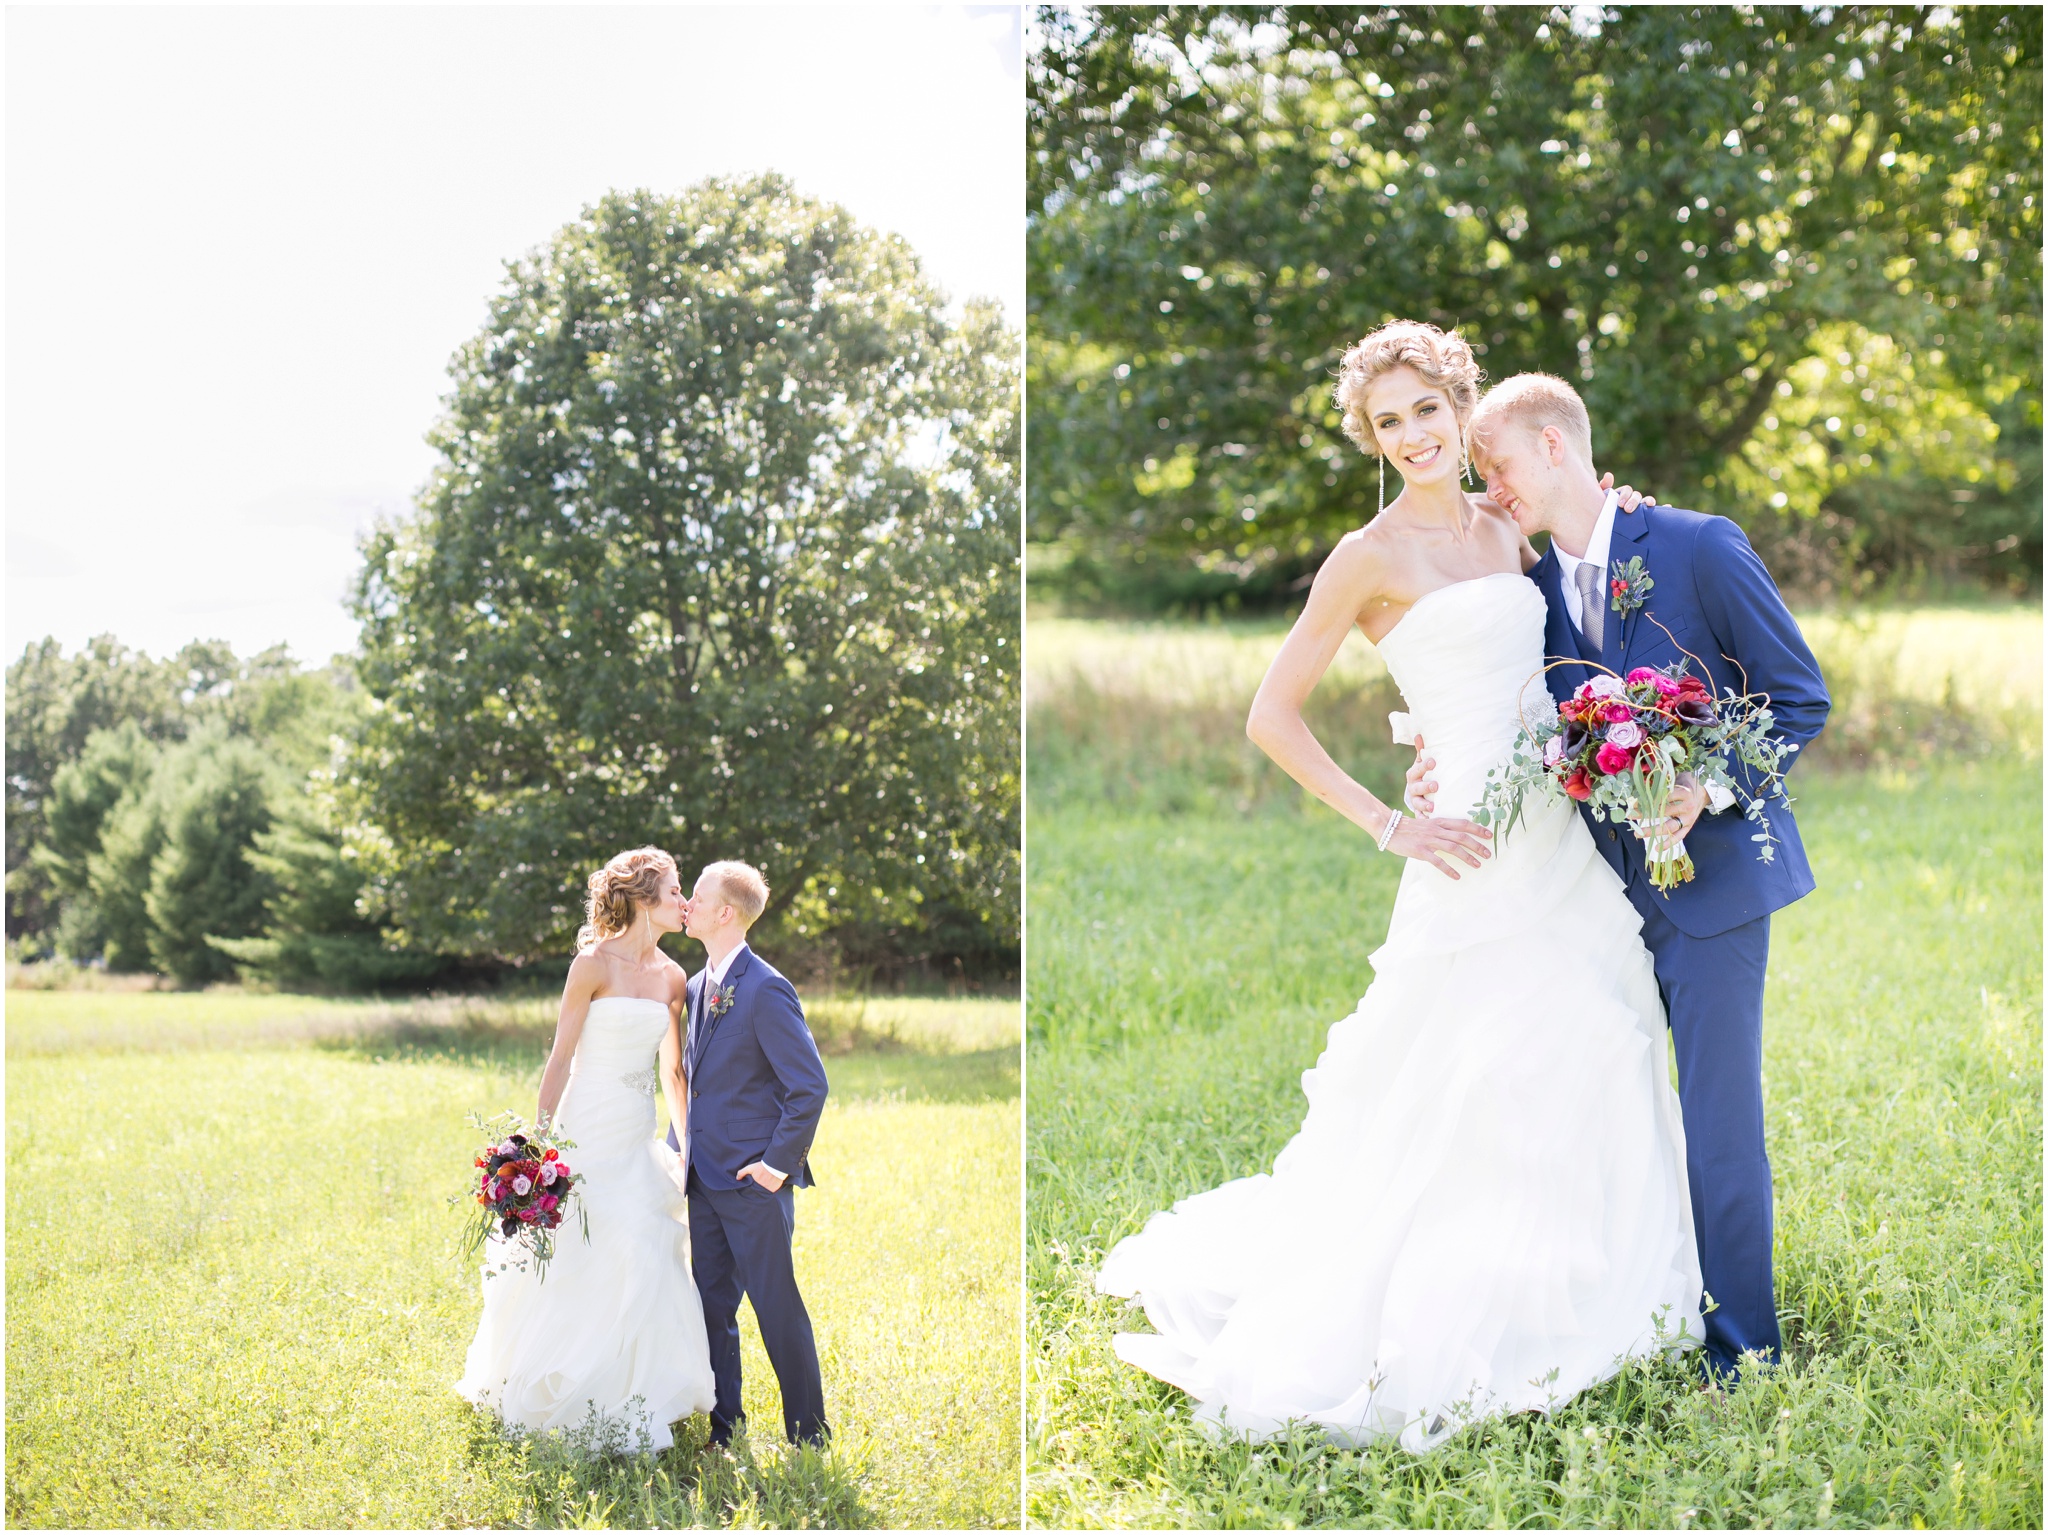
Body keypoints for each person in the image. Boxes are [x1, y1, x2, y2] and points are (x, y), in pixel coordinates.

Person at [1095, 320, 1703, 1452]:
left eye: (1428, 409)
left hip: (1556, 834)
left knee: (1590, 1040)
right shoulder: (1364, 556)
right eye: (1389, 421)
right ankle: (1457, 1305)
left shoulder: (1500, 525)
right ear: (1370, 439)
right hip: (1463, 845)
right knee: (1468, 1071)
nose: (1414, 434)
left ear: (1457, 405)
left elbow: (1569, 624)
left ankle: (1595, 1289)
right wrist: (1391, 820)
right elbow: (1267, 714)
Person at [1408, 371, 1830, 1384]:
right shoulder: (1527, 590)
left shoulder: (1694, 545)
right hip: (1587, 896)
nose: (1489, 485)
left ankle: (1742, 1351)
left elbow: (1797, 697)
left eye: (1496, 463)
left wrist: (1707, 789)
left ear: (1554, 447)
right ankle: (1620, 1310)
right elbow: (1501, 703)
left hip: (1713, 887)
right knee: (1600, 1104)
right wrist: (1433, 752)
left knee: (1718, 1116)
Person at [457, 846, 716, 1451]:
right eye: (676, 888)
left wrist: (689, 1150)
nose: (684, 900)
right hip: (582, 1128)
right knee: (572, 1246)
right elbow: (561, 1056)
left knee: (639, 1243)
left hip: (635, 1130)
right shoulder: (591, 964)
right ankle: (553, 1381)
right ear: (645, 897)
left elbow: (674, 1073)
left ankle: (631, 1394)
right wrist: (538, 1147)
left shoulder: (674, 978)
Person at [664, 860, 831, 1447]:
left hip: (754, 1182)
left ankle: (809, 1434)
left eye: (698, 896)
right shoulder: (693, 986)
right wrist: (676, 1156)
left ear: (725, 913)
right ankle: (724, 1427)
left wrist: (775, 1166)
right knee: (712, 1307)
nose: (687, 903)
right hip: (703, 1180)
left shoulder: (765, 988)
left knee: (776, 1307)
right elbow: (691, 1082)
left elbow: (808, 1086)